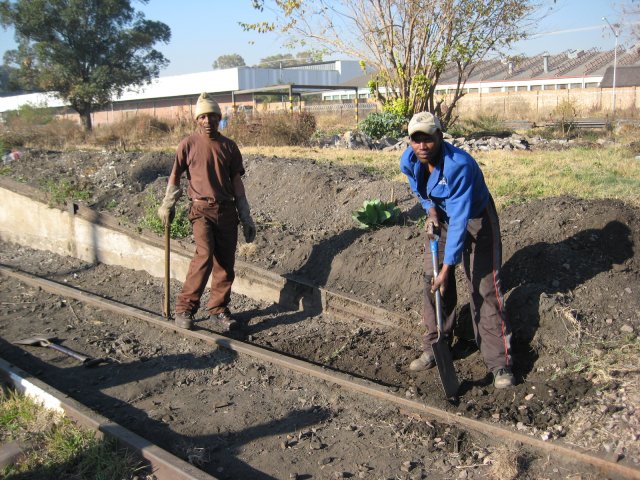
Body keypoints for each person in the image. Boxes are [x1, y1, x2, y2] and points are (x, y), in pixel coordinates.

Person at [400, 111, 514, 389]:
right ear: (410, 141)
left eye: (428, 138)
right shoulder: (409, 160)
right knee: (432, 279)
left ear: (440, 136)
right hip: (442, 215)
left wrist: (449, 267)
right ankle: (435, 345)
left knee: (485, 287)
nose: (422, 145)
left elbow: (461, 218)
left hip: (475, 218)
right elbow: (420, 190)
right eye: (416, 139)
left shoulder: (459, 165)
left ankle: (499, 363)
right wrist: (430, 211)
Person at [157, 92, 256, 331]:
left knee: (225, 262)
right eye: (203, 117)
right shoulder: (187, 145)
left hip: (226, 211)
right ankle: (185, 309)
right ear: (196, 120)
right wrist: (167, 203)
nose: (208, 121)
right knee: (204, 254)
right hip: (201, 209)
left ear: (219, 118)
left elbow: (236, 182)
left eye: (212, 116)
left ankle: (219, 310)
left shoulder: (229, 147)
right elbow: (175, 175)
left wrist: (245, 214)